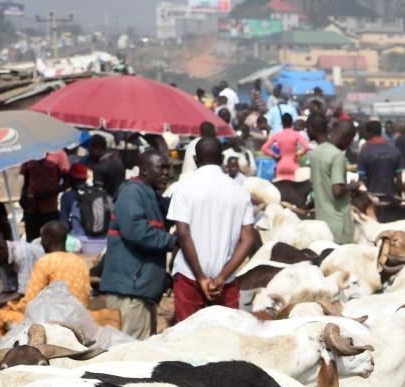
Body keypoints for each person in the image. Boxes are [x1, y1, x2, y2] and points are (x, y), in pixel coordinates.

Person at [167, 137, 258, 323]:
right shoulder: (239, 192)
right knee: (225, 342)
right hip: (225, 282)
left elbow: (183, 233)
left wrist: (200, 277)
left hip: (189, 276)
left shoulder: (184, 188)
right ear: (222, 158)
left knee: (186, 341)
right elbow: (248, 238)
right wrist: (222, 276)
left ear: (194, 158)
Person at [99, 148, 177, 338]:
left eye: (168, 168)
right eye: (161, 168)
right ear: (145, 170)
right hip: (130, 291)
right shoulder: (132, 193)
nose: (166, 173)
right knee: (130, 350)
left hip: (142, 290)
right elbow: (137, 232)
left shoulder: (150, 195)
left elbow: (172, 211)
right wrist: (173, 241)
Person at [0, 221, 91, 343]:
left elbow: (29, 301)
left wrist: (7, 308)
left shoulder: (44, 262)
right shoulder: (80, 261)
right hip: (80, 316)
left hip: (55, 320)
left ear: (47, 240)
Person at [310, 120, 359, 245]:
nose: (349, 145)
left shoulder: (316, 152)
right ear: (346, 138)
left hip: (321, 222)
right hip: (338, 224)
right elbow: (337, 191)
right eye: (350, 141)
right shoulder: (337, 156)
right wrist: (351, 186)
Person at [0, 231, 44, 306]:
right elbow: (8, 291)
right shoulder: (3, 259)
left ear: (1, 248)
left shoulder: (21, 254)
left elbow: (24, 293)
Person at [19, 156, 63, 241]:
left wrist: (49, 192)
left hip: (49, 209)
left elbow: (67, 181)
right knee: (32, 241)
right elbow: (26, 180)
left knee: (51, 240)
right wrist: (23, 196)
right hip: (31, 210)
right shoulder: (28, 154)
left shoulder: (58, 154)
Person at [357, 120, 402, 200]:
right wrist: (399, 197)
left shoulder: (365, 152)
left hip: (371, 199)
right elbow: (399, 180)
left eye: (366, 132)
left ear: (370, 133)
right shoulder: (395, 151)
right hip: (390, 198)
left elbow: (361, 181)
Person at [262, 113, 309, 182]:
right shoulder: (296, 134)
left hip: (281, 165)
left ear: (282, 123)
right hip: (293, 164)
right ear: (291, 123)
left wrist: (275, 156)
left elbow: (264, 148)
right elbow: (307, 147)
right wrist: (298, 155)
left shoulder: (277, 135)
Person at [86, 134, 125, 199]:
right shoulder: (118, 160)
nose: (89, 153)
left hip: (106, 205)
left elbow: (97, 195)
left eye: (90, 149)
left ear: (98, 149)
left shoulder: (99, 168)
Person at [58, 162, 90, 236]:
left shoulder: (66, 197)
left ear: (71, 179)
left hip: (76, 238)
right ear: (85, 178)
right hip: (98, 238)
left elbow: (64, 223)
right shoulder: (95, 194)